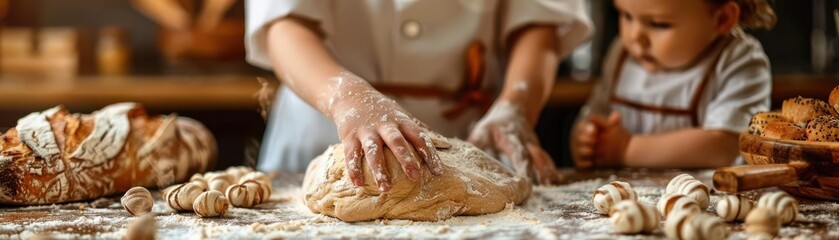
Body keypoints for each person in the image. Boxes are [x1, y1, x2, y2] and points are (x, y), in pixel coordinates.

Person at [245, 0, 593, 190]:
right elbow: (284, 24)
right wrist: (349, 98)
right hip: (324, 124)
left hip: (467, 141)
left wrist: (516, 106)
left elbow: (539, 21)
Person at [571, 0, 775, 169]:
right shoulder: (622, 54)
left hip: (705, 204)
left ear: (721, 19)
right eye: (626, 16)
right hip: (623, 203)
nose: (635, 36)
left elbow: (724, 147)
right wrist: (587, 141)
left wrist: (626, 149)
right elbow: (593, 115)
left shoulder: (738, 61)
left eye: (659, 24)